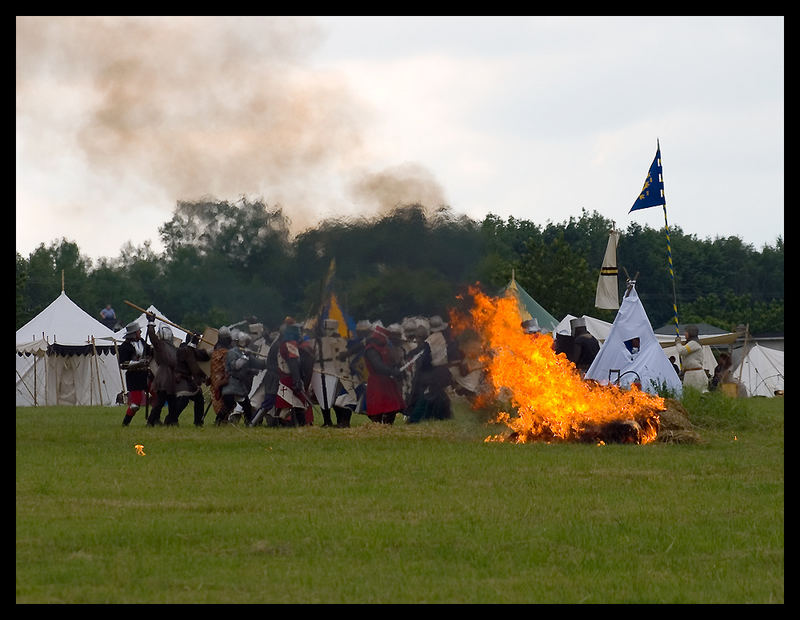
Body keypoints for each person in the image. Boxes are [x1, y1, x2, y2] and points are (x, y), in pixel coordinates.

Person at [405, 315, 456, 423]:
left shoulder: (430, 341)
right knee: (438, 394)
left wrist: (420, 368)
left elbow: (426, 358)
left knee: (426, 396)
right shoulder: (442, 337)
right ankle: (442, 416)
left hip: (434, 372)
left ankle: (415, 419)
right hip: (441, 371)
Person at [309, 318, 349, 427]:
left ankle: (342, 421)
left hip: (335, 371)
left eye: (330, 329)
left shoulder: (341, 341)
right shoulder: (317, 341)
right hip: (319, 371)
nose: (328, 331)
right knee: (323, 398)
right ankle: (327, 421)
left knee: (337, 399)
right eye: (326, 329)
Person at [273, 319, 313, 426]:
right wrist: (297, 380)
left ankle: (300, 425)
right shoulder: (290, 344)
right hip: (289, 380)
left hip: (284, 378)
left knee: (296, 405)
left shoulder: (282, 344)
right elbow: (293, 363)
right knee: (291, 405)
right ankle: (294, 425)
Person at [363, 325, 406, 424]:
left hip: (388, 381)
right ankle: (377, 425)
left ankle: (388, 425)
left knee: (392, 408)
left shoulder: (384, 348)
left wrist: (396, 369)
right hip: (377, 382)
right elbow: (378, 366)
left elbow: (389, 362)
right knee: (377, 408)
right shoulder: (371, 350)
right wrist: (392, 371)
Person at [167, 332, 211, 426]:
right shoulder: (182, 350)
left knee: (199, 398)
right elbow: (192, 364)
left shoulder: (193, 351)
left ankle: (198, 422)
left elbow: (203, 356)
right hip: (180, 380)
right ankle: (171, 420)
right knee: (183, 400)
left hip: (188, 382)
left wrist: (215, 348)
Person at [222, 331, 266, 424]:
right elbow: (235, 366)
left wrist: (268, 362)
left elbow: (258, 364)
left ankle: (249, 423)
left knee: (246, 406)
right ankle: (219, 422)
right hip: (232, 383)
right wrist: (245, 356)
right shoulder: (232, 352)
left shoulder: (245, 352)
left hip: (239, 384)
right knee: (230, 406)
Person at [145, 313, 178, 426]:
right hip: (164, 376)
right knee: (160, 402)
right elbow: (152, 336)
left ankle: (172, 421)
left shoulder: (173, 346)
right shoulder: (159, 345)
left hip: (172, 377)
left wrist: (193, 341)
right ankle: (151, 421)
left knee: (173, 402)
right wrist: (151, 323)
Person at [118, 322, 152, 426]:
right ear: (133, 333)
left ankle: (154, 419)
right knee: (135, 404)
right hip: (134, 376)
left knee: (158, 395)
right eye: (138, 331)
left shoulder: (142, 342)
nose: (140, 332)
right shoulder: (124, 347)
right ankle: (125, 423)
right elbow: (122, 364)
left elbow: (149, 352)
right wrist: (138, 363)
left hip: (145, 374)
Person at [675, 325, 709, 392]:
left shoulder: (694, 343)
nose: (685, 334)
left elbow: (682, 351)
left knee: (696, 395)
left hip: (695, 375)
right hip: (690, 374)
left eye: (686, 332)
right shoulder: (691, 343)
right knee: (689, 395)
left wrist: (678, 343)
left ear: (690, 333)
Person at [210, 326, 233, 425]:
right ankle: (219, 420)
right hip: (222, 382)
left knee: (228, 402)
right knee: (229, 402)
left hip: (217, 381)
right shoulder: (225, 353)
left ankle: (222, 420)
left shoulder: (214, 351)